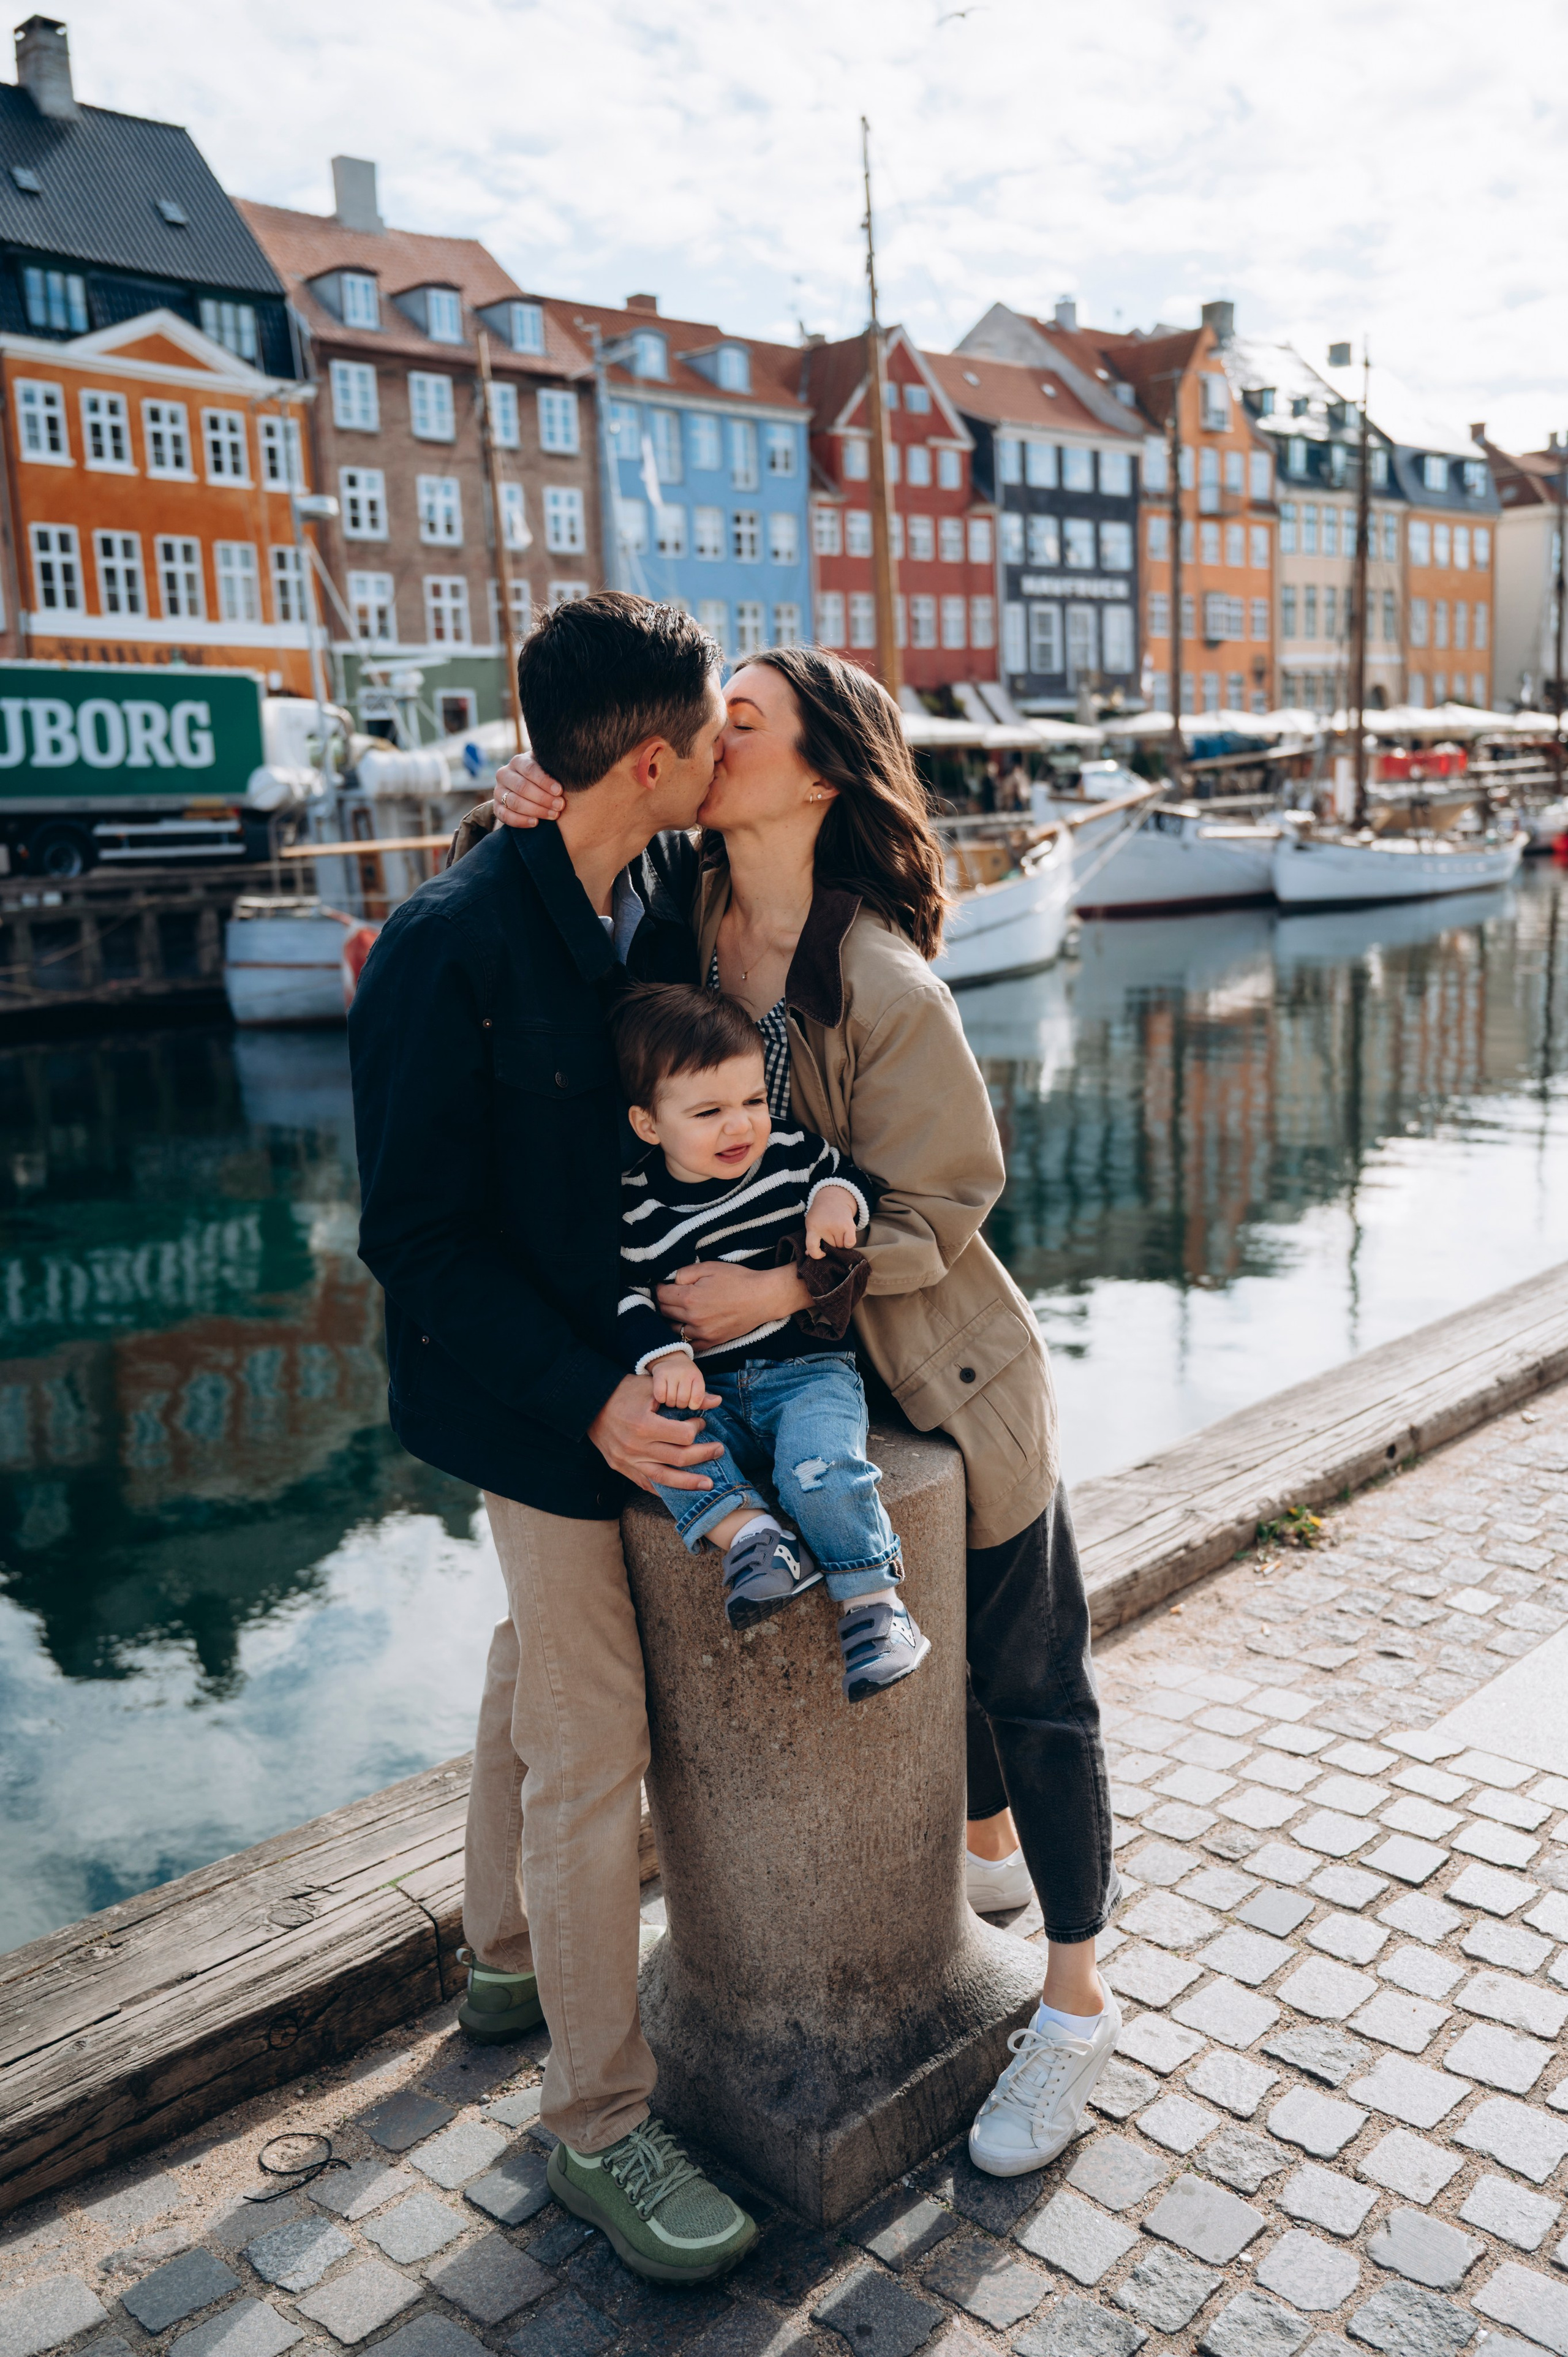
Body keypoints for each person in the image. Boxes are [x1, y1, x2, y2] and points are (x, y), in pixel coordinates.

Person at [473, 637, 1123, 2177]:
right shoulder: (679, 917)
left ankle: (1076, 2001)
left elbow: (952, 1196)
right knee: (927, 1656)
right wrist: (517, 818)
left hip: (944, 1375)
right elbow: (546, 955)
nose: (705, 737)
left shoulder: (881, 981)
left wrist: (776, 1294)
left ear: (815, 770)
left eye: (737, 722)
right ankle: (976, 1862)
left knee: (1028, 1679)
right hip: (780, 1381)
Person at [350, 594, 761, 2283]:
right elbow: (414, 1241)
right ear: (649, 757)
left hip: (620, 1362)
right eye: (712, 722)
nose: (730, 739)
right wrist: (585, 1390)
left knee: (539, 1649)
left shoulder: (632, 886)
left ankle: (507, 1957)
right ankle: (597, 2124)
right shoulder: (451, 944)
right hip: (529, 1392)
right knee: (597, 1741)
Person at [609, 980, 930, 1698]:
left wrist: (832, 1200)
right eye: (709, 1111)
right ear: (649, 1123)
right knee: (661, 1442)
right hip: (711, 1386)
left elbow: (851, 1177)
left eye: (753, 1101)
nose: (740, 1127)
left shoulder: (789, 1154)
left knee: (820, 1468)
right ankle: (753, 1536)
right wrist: (664, 1355)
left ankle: (875, 1605)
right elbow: (626, 1295)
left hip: (806, 1371)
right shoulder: (636, 1203)